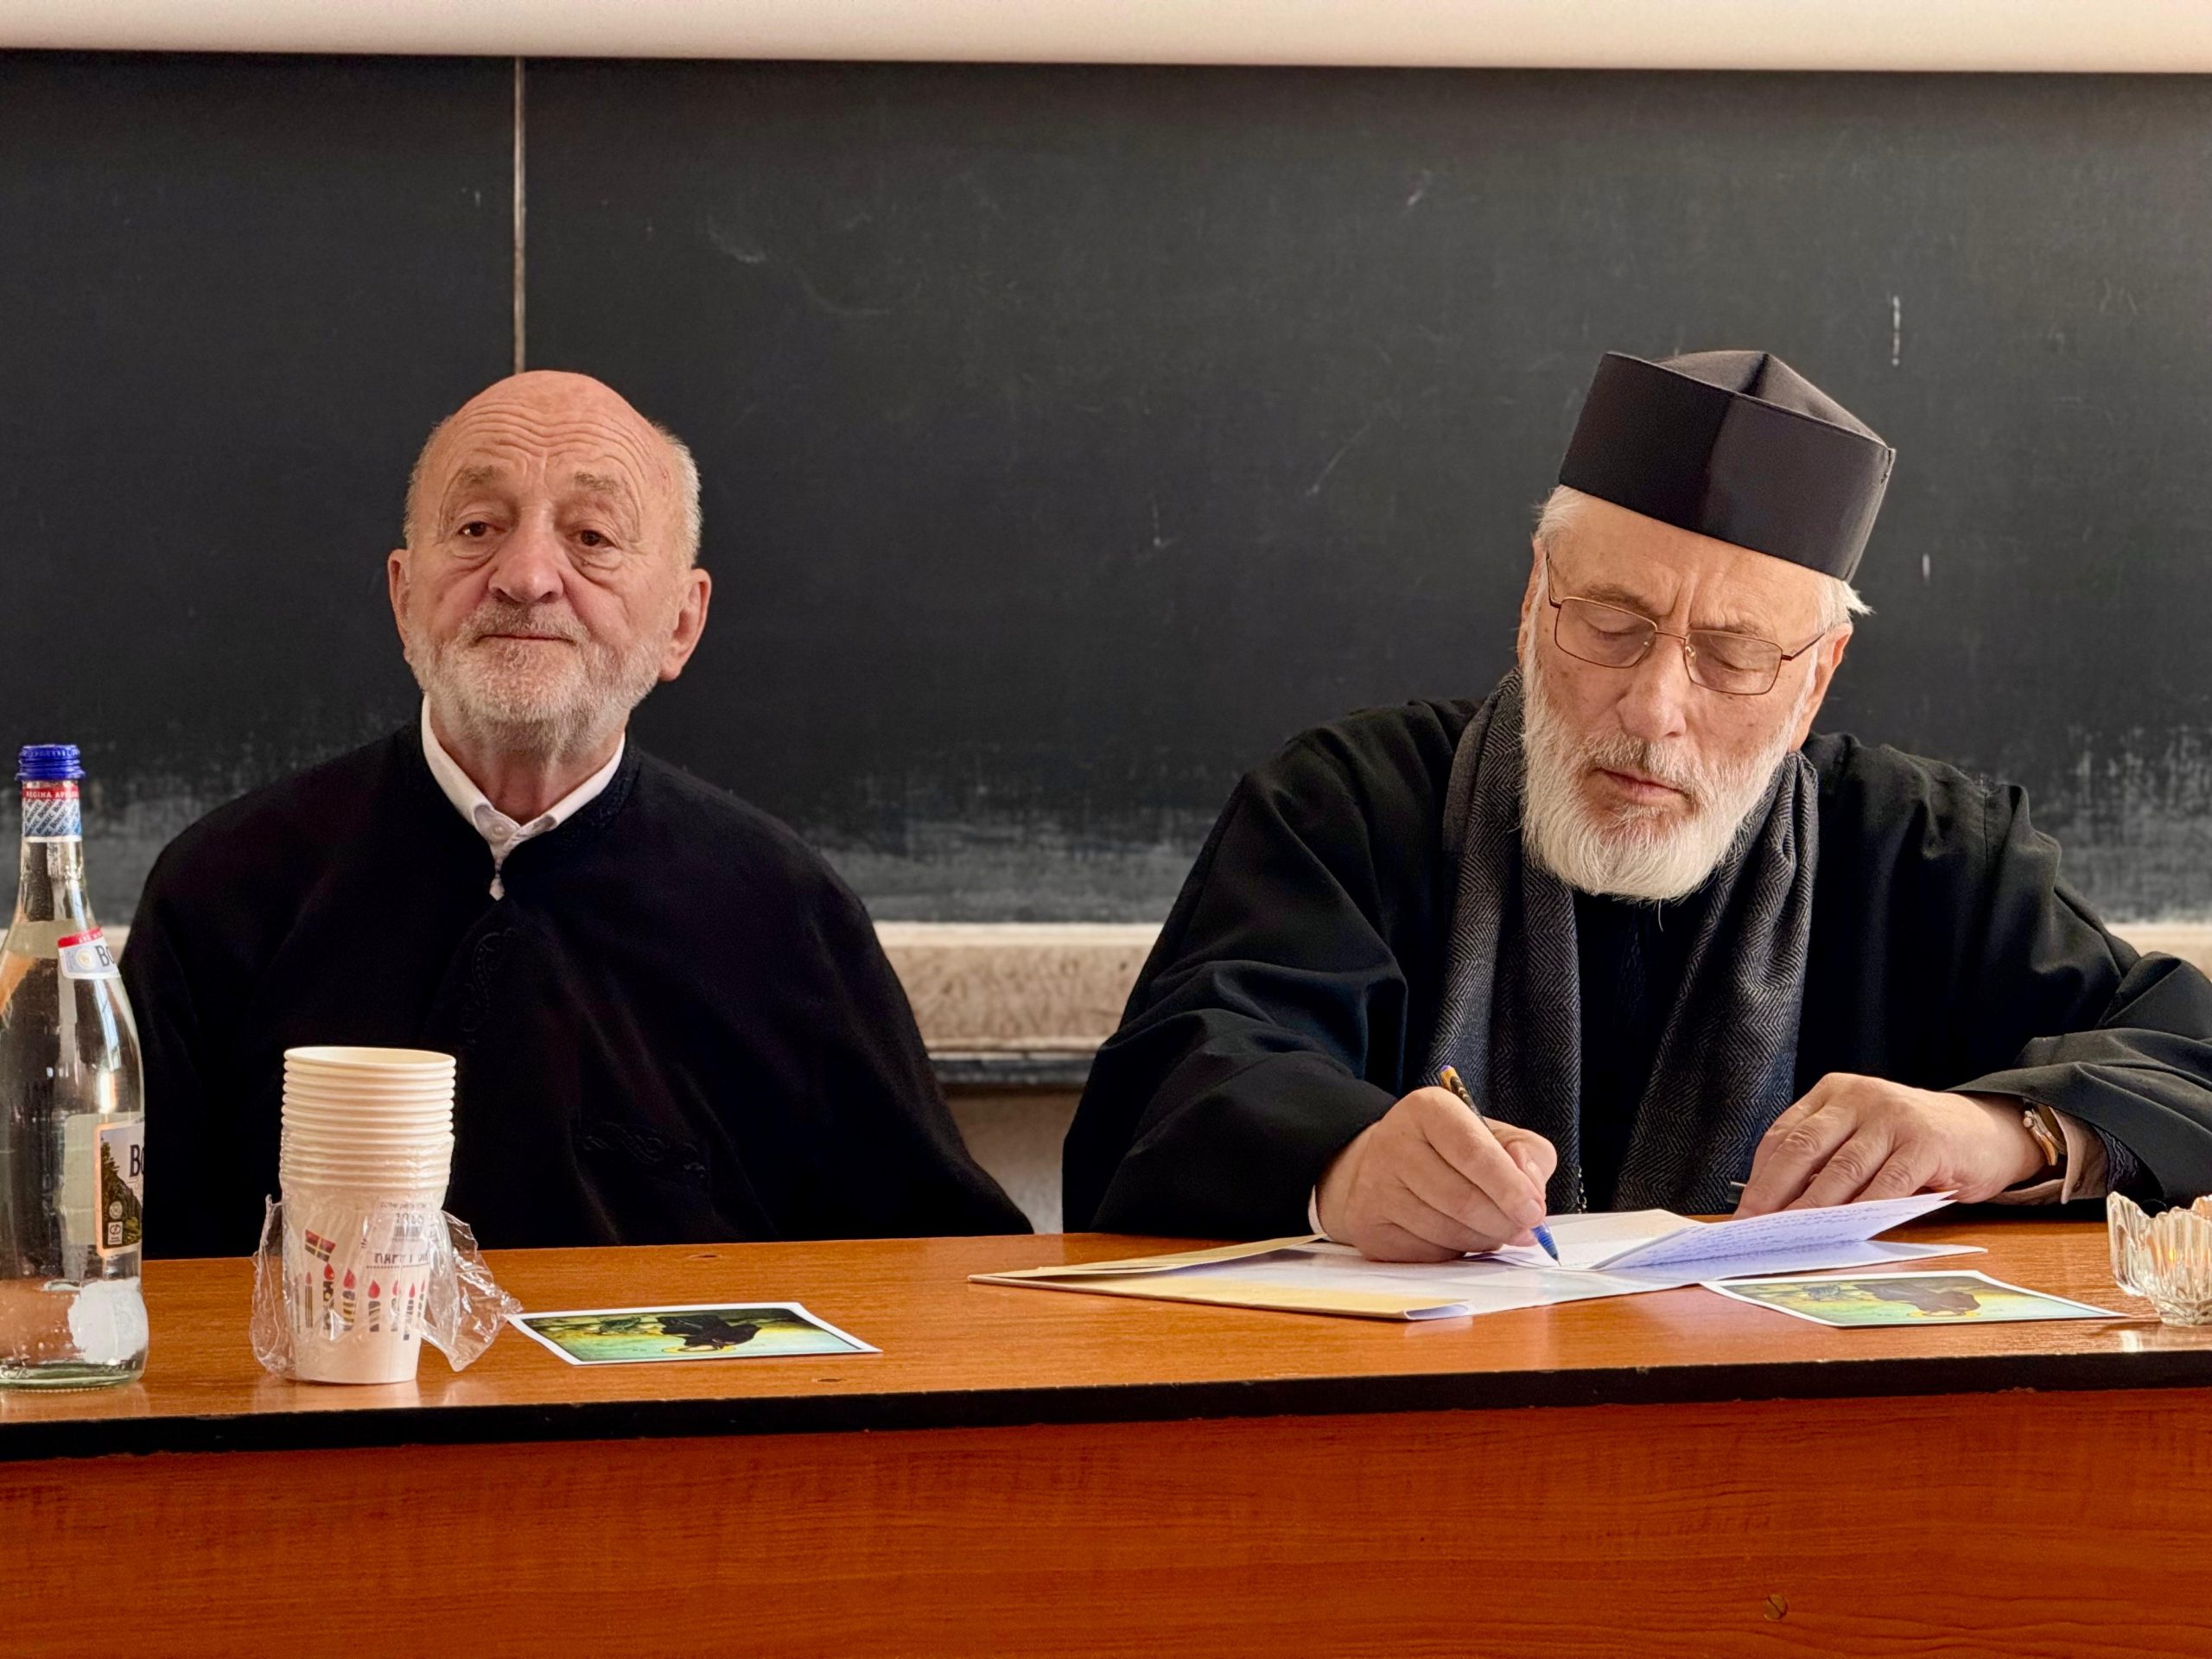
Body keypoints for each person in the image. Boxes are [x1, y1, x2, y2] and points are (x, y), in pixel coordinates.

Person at [1065, 349, 2212, 1260]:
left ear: (1815, 680)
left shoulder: (1927, 853)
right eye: (1613, 626)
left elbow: (2185, 1065)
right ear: (1534, 600)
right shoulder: (1353, 806)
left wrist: (2006, 1131)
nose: (1655, 707)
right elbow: (1176, 1081)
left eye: (1732, 656)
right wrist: (1345, 1164)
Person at [126, 370, 1025, 1255]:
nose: (525, 577)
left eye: (592, 537)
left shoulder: (782, 912)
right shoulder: (227, 888)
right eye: (477, 529)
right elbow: (121, 1266)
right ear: (403, 598)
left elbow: (934, 1266)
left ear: (681, 622)